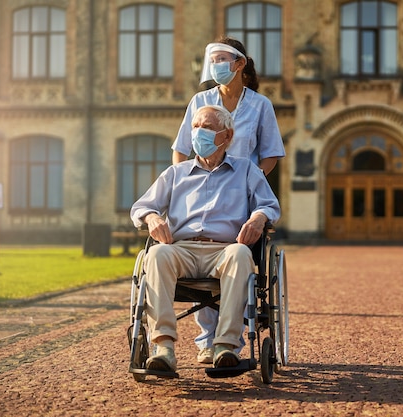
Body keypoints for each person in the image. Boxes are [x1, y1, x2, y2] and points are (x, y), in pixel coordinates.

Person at [130, 105, 280, 372]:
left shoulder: (246, 170)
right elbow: (141, 207)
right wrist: (152, 218)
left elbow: (269, 205)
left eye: (207, 127)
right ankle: (163, 347)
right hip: (182, 250)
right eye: (196, 127)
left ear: (227, 136)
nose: (199, 132)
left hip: (224, 250)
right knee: (156, 255)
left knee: (241, 254)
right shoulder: (176, 173)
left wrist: (258, 218)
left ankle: (225, 346)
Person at [171, 36, 285, 364]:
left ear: (239, 64)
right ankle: (207, 339)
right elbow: (182, 149)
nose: (217, 66)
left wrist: (249, 185)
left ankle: (226, 340)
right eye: (213, 60)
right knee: (197, 239)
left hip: (241, 194)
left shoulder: (260, 105)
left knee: (232, 254)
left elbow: (271, 155)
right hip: (201, 187)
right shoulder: (200, 101)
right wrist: (184, 186)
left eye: (223, 59)